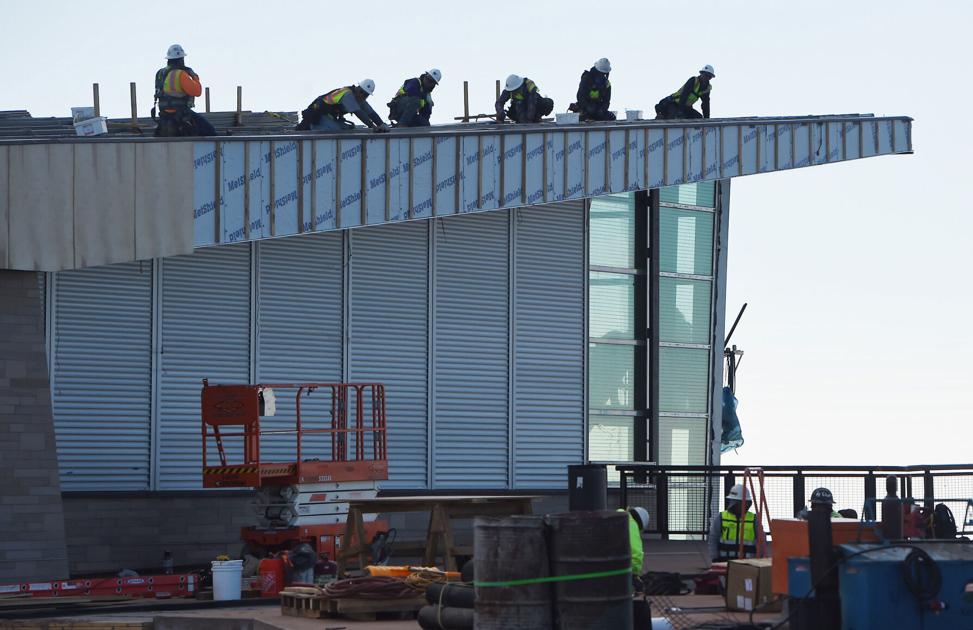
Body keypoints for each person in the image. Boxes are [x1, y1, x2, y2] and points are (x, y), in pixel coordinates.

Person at [153, 44, 216, 137]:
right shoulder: (180, 74)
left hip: (164, 115)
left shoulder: (160, 73)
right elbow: (197, 92)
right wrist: (194, 76)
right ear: (181, 59)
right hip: (180, 113)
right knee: (210, 130)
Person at [295, 80, 390, 133]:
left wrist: (382, 124)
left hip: (330, 116)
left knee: (348, 129)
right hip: (318, 115)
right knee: (336, 131)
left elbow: (371, 113)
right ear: (358, 88)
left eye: (366, 95)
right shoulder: (348, 95)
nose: (363, 96)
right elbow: (358, 112)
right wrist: (372, 127)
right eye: (362, 92)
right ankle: (310, 126)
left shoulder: (360, 99)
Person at [708, 484, 767, 562]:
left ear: (746, 503)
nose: (734, 505)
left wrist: (759, 558)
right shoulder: (721, 517)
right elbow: (713, 538)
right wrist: (714, 557)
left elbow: (762, 540)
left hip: (748, 562)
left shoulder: (754, 519)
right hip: (724, 561)